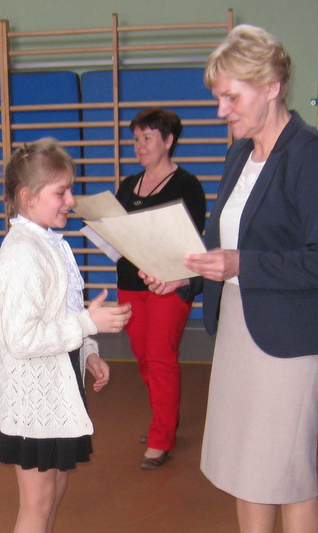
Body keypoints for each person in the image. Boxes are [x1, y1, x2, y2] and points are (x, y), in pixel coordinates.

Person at [143, 25, 318, 533]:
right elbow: (224, 243)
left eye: (231, 97)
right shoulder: (239, 153)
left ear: (272, 87)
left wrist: (243, 265)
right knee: (246, 467)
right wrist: (182, 276)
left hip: (291, 336)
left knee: (286, 472)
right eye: (219, 98)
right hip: (239, 326)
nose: (222, 111)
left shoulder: (313, 155)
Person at [0, 138, 132, 533]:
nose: (71, 200)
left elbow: (64, 312)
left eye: (70, 190)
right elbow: (22, 339)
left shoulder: (49, 242)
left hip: (58, 392)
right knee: (36, 503)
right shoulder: (21, 254)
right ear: (28, 197)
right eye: (61, 192)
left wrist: (89, 350)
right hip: (32, 402)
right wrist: (88, 324)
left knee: (56, 488)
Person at [115, 107, 207, 469]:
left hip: (168, 285)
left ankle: (161, 438)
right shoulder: (127, 185)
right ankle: (163, 418)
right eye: (136, 138)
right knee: (144, 358)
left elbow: (189, 242)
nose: (139, 145)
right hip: (129, 283)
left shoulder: (187, 185)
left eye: (147, 138)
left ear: (168, 141)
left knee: (160, 358)